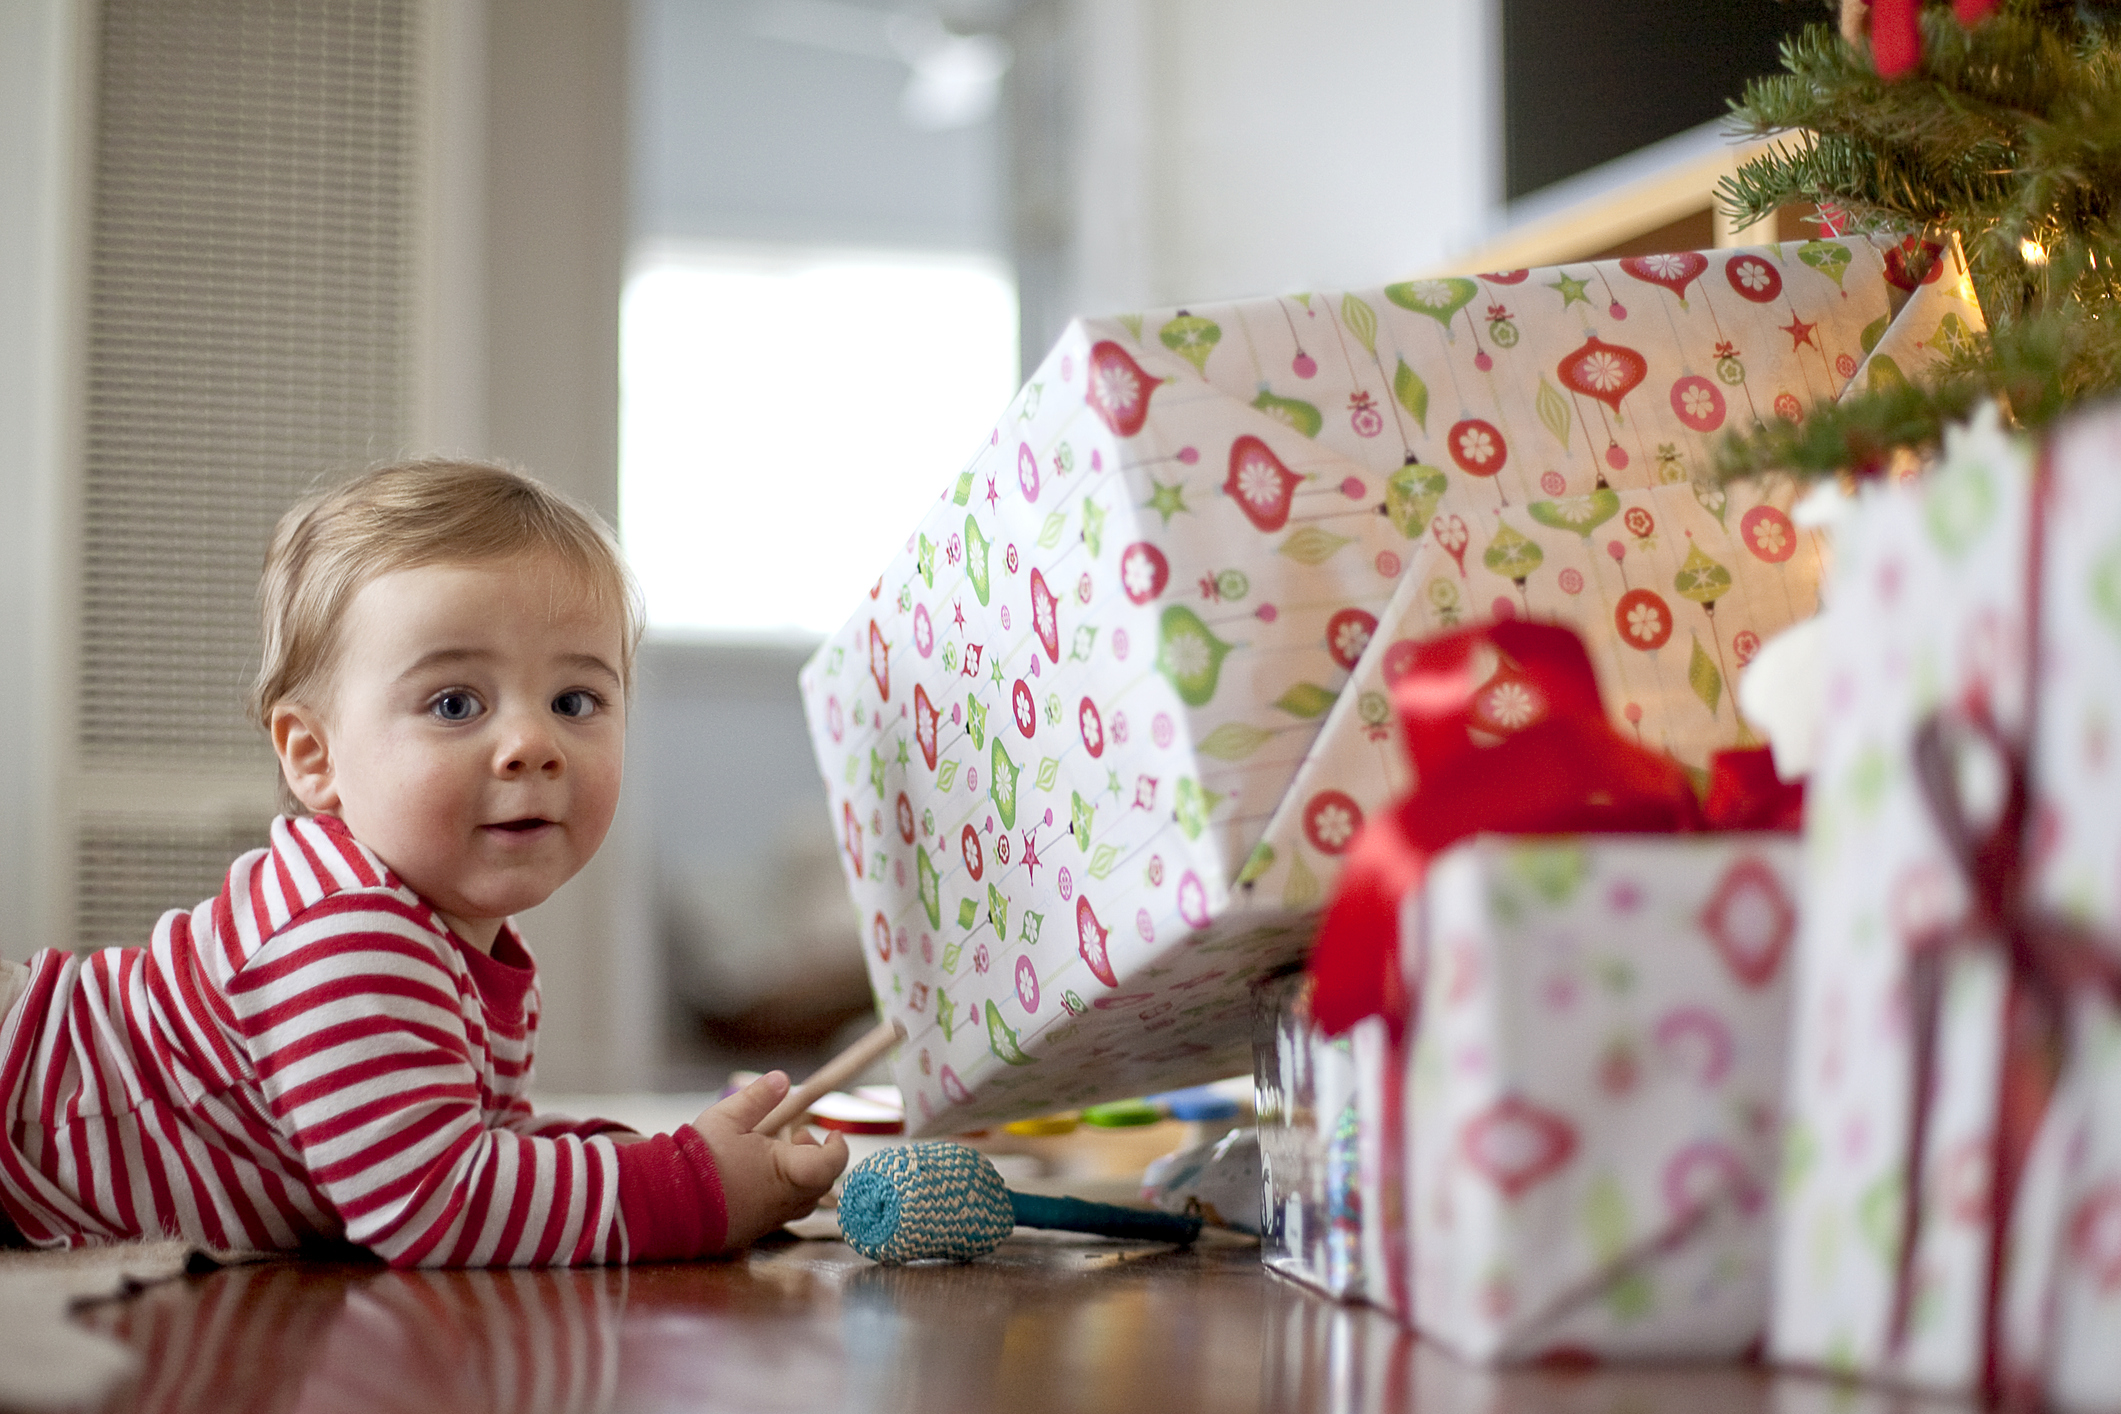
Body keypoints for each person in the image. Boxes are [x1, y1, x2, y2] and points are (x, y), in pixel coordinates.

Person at [0, 459, 847, 1265]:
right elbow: (435, 1202)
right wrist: (692, 1191)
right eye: (454, 704)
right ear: (314, 755)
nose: (530, 744)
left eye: (574, 701)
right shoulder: (348, 933)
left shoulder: (456, 933)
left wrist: (657, 1155)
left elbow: (468, 1148)